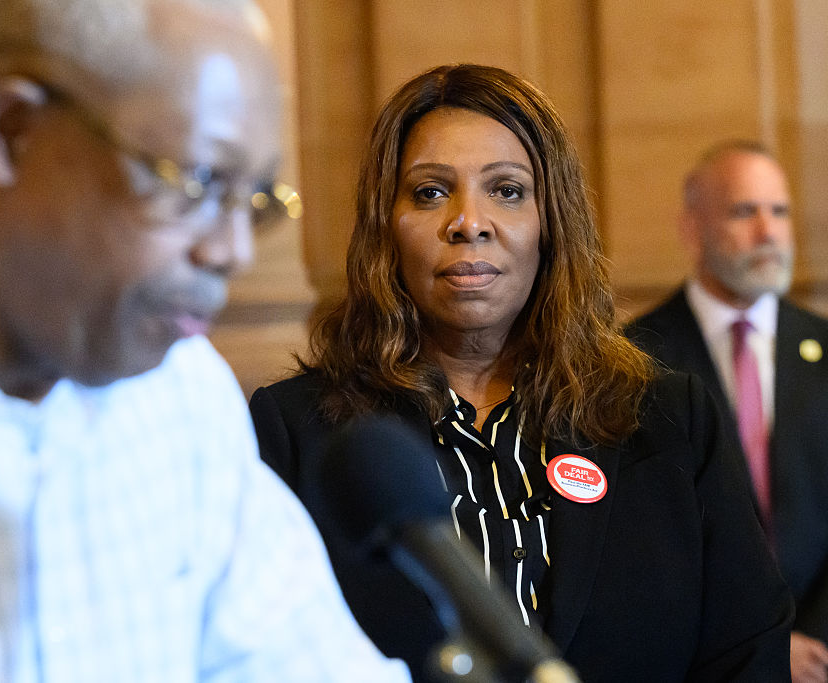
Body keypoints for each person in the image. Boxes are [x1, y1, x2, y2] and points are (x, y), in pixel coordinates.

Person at [0, 0, 411, 681]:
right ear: (12, 131)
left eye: (255, 200)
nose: (233, 250)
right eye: (199, 182)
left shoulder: (180, 392)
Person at [249, 64, 794, 682]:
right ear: (384, 226)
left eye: (507, 190)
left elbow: (749, 652)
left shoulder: (672, 422)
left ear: (550, 222)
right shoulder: (294, 433)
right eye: (430, 192)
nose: (469, 222)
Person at [625, 140, 828, 683]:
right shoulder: (633, 361)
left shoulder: (824, 347)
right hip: (705, 663)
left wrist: (812, 641)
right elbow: (645, 545)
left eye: (779, 211)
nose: (769, 232)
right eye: (744, 211)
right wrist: (763, 645)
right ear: (692, 229)